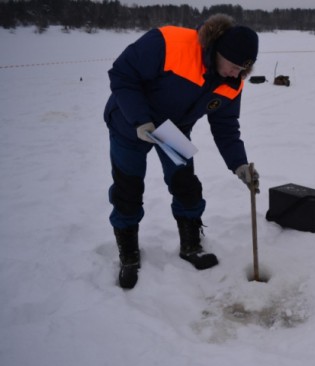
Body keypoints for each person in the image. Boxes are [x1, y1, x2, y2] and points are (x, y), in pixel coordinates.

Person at [104, 14, 260, 289]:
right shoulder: (168, 43)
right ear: (218, 52)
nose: (236, 74)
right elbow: (122, 74)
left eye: (243, 70)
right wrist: (140, 119)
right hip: (129, 124)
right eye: (234, 66)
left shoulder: (232, 82)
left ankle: (191, 245)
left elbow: (225, 126)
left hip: (172, 131)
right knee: (127, 189)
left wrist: (239, 164)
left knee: (185, 184)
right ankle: (128, 255)